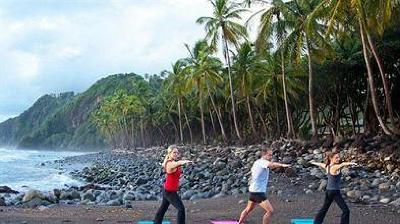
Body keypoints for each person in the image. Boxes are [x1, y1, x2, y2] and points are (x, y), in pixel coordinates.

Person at [238, 148, 291, 224]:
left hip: (253, 191)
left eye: (271, 155)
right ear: (264, 155)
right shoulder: (262, 162)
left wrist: (278, 166)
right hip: (258, 192)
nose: (271, 157)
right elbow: (271, 164)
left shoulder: (258, 162)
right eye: (269, 155)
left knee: (248, 209)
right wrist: (282, 165)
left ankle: (239, 223)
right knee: (270, 211)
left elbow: (271, 166)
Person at [310, 151, 357, 224]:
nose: (339, 159)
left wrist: (313, 162)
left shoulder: (327, 166)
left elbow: (320, 164)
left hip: (328, 191)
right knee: (346, 210)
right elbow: (342, 164)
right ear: (331, 158)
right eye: (336, 157)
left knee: (324, 209)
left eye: (339, 157)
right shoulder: (334, 167)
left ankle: (317, 222)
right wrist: (351, 163)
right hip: (334, 192)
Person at [154, 145, 192, 224]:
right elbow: (177, 164)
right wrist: (184, 162)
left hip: (167, 189)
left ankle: (156, 222)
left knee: (163, 208)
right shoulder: (170, 164)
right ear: (170, 153)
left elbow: (166, 164)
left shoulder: (169, 162)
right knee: (181, 209)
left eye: (177, 153)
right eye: (174, 152)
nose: (176, 154)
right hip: (169, 191)